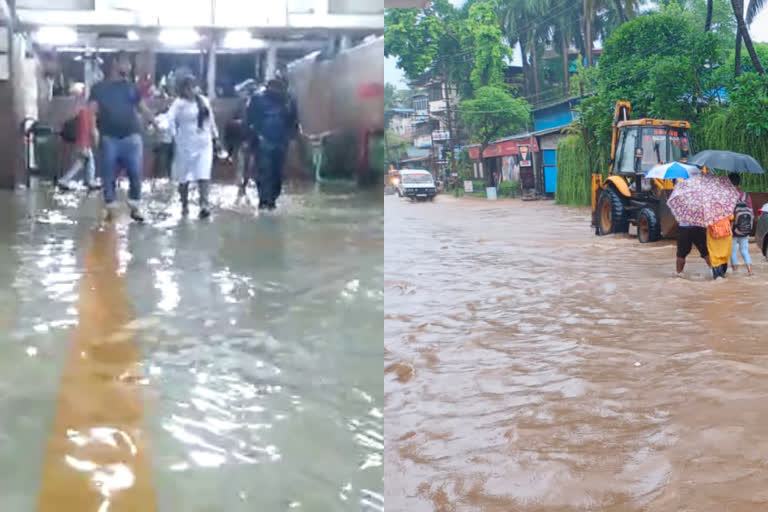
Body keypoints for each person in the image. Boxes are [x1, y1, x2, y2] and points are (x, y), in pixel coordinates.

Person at [89, 51, 156, 222]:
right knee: (108, 174)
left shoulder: (131, 87)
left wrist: (155, 123)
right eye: (126, 62)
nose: (129, 66)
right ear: (115, 63)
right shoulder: (99, 88)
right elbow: (91, 112)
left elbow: (142, 108)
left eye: (129, 63)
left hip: (132, 136)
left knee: (135, 173)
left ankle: (134, 207)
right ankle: (111, 208)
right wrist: (93, 131)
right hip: (109, 137)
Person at [166, 74, 220, 219]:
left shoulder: (203, 101)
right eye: (188, 87)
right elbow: (169, 119)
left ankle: (204, 205)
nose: (192, 90)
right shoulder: (178, 104)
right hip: (185, 144)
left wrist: (216, 138)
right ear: (182, 89)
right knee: (183, 177)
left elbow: (211, 120)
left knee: (204, 173)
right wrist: (172, 135)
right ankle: (184, 205)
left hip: (204, 143)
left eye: (194, 86)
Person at [246, 78, 299, 210]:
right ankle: (264, 201)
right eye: (273, 89)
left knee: (277, 173)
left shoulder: (289, 100)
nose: (276, 92)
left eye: (279, 89)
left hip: (281, 141)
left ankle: (272, 199)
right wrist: (253, 137)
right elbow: (249, 120)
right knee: (264, 171)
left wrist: (292, 138)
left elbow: (293, 120)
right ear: (268, 88)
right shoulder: (258, 98)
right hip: (262, 141)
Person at [58, 83, 99, 192]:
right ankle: (67, 179)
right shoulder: (88, 113)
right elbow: (91, 131)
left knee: (84, 162)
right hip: (84, 143)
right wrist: (94, 142)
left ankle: (89, 180)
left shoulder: (81, 111)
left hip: (81, 142)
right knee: (83, 162)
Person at [729, 172, 754, 275]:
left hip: (733, 227)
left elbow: (728, 213)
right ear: (740, 183)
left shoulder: (729, 195)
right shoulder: (746, 195)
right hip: (745, 226)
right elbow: (751, 212)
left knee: (733, 251)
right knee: (744, 250)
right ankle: (750, 271)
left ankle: (735, 273)